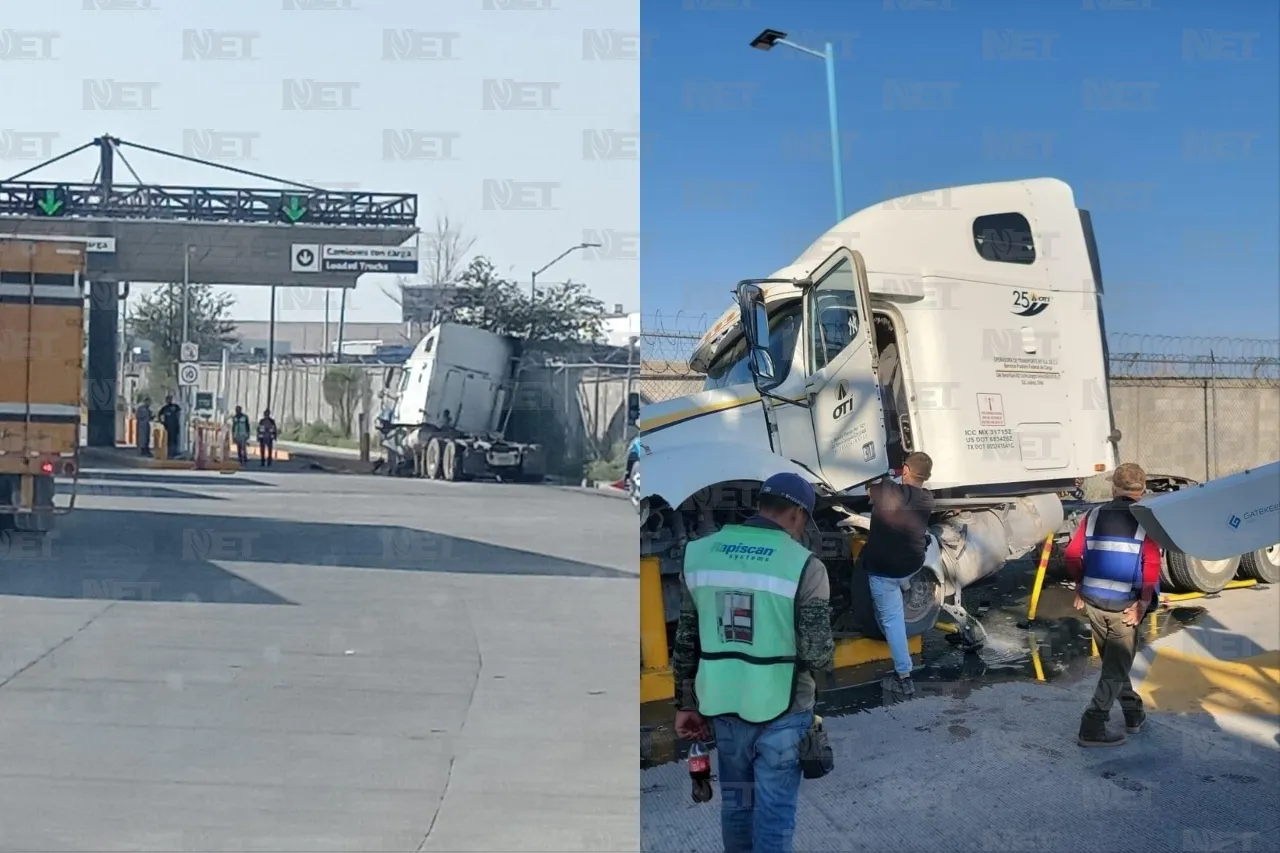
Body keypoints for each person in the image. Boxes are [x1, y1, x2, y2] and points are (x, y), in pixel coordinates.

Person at [671, 472, 834, 853]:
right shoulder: (806, 566)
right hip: (785, 710)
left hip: (724, 708)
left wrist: (685, 705)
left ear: (761, 506)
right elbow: (817, 654)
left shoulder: (699, 553)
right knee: (774, 818)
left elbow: (685, 641)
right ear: (796, 514)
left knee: (738, 808)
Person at [1063, 461, 1160, 747]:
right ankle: (1092, 726)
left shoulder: (1093, 515)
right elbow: (1151, 563)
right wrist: (1143, 602)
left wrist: (1080, 584)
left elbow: (1071, 554)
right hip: (1125, 608)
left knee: (1114, 664)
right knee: (1116, 668)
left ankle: (1134, 714)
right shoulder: (1147, 519)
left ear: (1114, 487)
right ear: (1142, 490)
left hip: (1093, 603)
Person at [860, 451, 936, 700]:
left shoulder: (887, 491)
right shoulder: (928, 500)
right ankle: (905, 586)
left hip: (884, 571)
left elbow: (867, 491)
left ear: (905, 470)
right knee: (919, 546)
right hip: (912, 564)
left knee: (892, 620)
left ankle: (904, 677)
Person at [157, 394, 181, 460]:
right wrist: (162, 422)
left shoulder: (176, 407)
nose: (169, 401)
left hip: (175, 426)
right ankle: (169, 453)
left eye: (170, 399)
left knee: (175, 440)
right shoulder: (164, 408)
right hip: (167, 427)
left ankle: (174, 453)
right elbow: (159, 415)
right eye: (167, 399)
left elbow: (180, 413)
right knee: (168, 440)